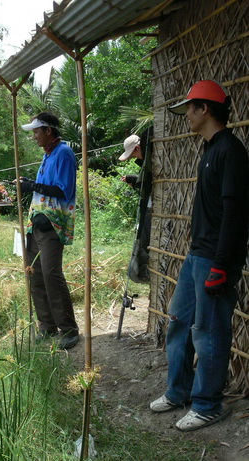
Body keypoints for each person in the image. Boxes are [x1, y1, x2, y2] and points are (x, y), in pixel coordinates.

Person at [150, 80, 248, 431]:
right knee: (179, 323)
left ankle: (208, 404)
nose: (186, 115)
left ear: (205, 109)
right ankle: (179, 391)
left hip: (215, 260)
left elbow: (236, 215)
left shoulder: (230, 151)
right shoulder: (209, 149)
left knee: (208, 331)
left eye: (190, 108)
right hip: (197, 256)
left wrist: (222, 266)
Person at [17, 111, 79, 350]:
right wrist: (27, 184)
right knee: (35, 274)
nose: (34, 136)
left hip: (53, 227)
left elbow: (62, 190)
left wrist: (32, 185)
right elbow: (43, 189)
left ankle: (69, 329)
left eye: (36, 131)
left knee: (51, 275)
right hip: (37, 225)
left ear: (48, 131)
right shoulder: (48, 155)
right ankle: (47, 326)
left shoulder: (63, 153)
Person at [119, 129, 153, 283]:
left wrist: (136, 180)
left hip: (153, 208)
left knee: (147, 242)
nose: (134, 158)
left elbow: (150, 181)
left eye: (133, 155)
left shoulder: (152, 158)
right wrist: (135, 180)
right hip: (151, 205)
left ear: (138, 148)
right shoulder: (148, 159)